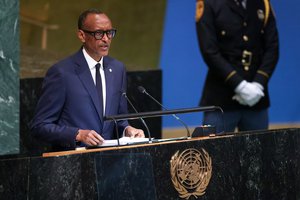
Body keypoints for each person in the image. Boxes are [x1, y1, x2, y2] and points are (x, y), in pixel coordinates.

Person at [30, 8, 144, 150]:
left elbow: (119, 119)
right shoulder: (62, 73)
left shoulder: (117, 69)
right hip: (74, 163)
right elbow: (39, 126)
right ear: (82, 35)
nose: (106, 39)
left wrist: (127, 129)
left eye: (109, 32)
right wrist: (77, 134)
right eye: (98, 33)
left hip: (109, 162)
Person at [195, 0, 279, 133]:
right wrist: (240, 86)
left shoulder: (263, 3)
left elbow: (272, 48)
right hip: (221, 100)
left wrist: (258, 84)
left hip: (256, 99)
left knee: (258, 152)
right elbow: (210, 51)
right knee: (214, 152)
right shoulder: (209, 3)